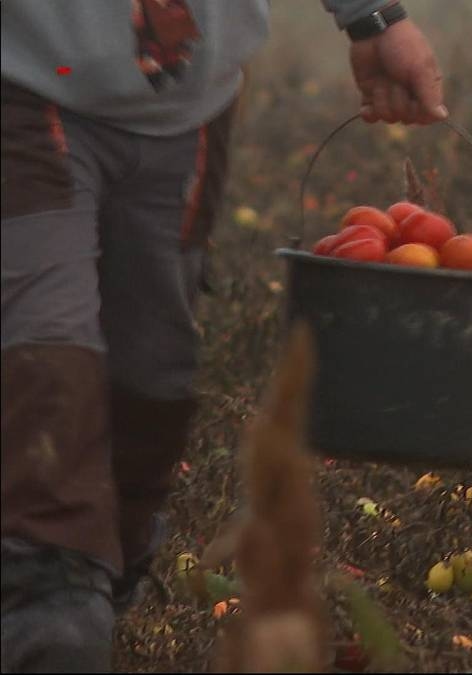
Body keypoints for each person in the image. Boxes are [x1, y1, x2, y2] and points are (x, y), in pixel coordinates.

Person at [0, 1, 444, 671]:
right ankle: (47, 601)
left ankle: (95, 572)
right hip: (26, 81)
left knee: (151, 383)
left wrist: (372, 17)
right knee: (47, 354)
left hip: (186, 107)